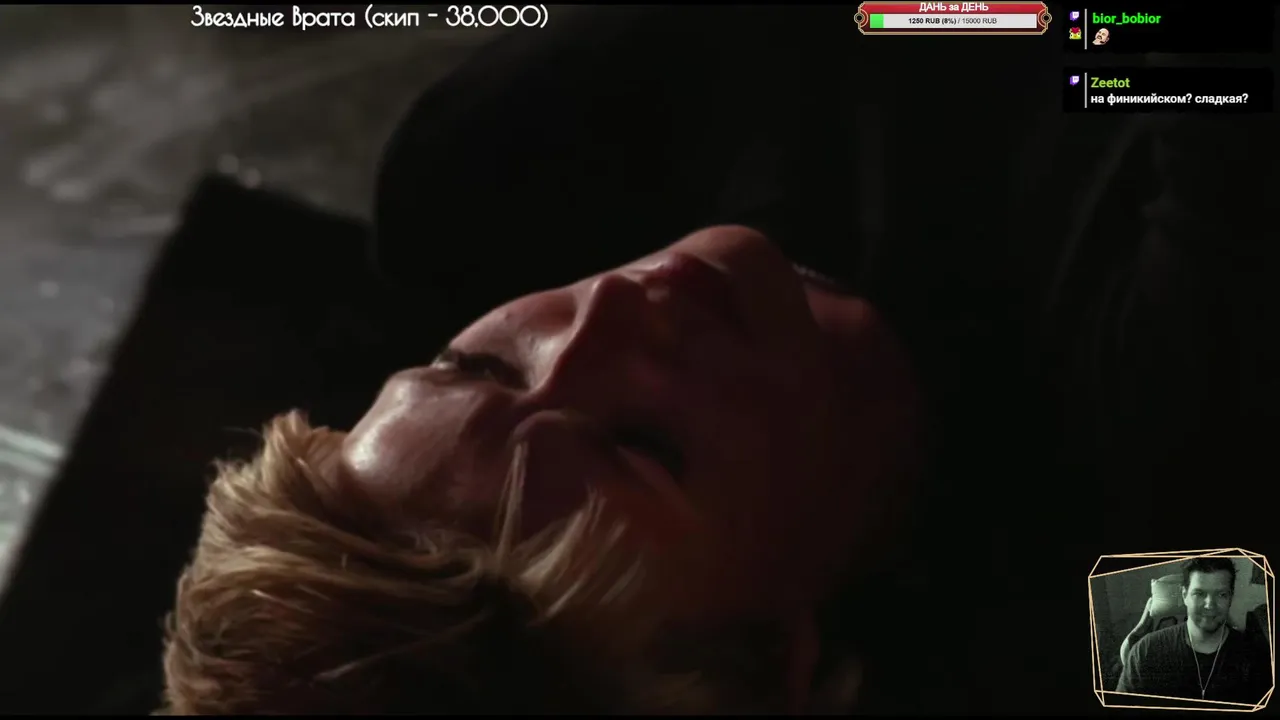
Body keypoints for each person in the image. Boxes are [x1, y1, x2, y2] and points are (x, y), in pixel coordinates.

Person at [159, 6, 1279, 716]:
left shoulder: (496, 179)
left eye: (479, 368)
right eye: (643, 447)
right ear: (781, 655)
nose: (602, 316)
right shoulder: (1178, 448)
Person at [1117, 558, 1270, 705]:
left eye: (1221, 595)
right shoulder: (1146, 651)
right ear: (1184, 595)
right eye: (1199, 594)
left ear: (1230, 598)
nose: (1210, 605)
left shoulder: (1255, 657)